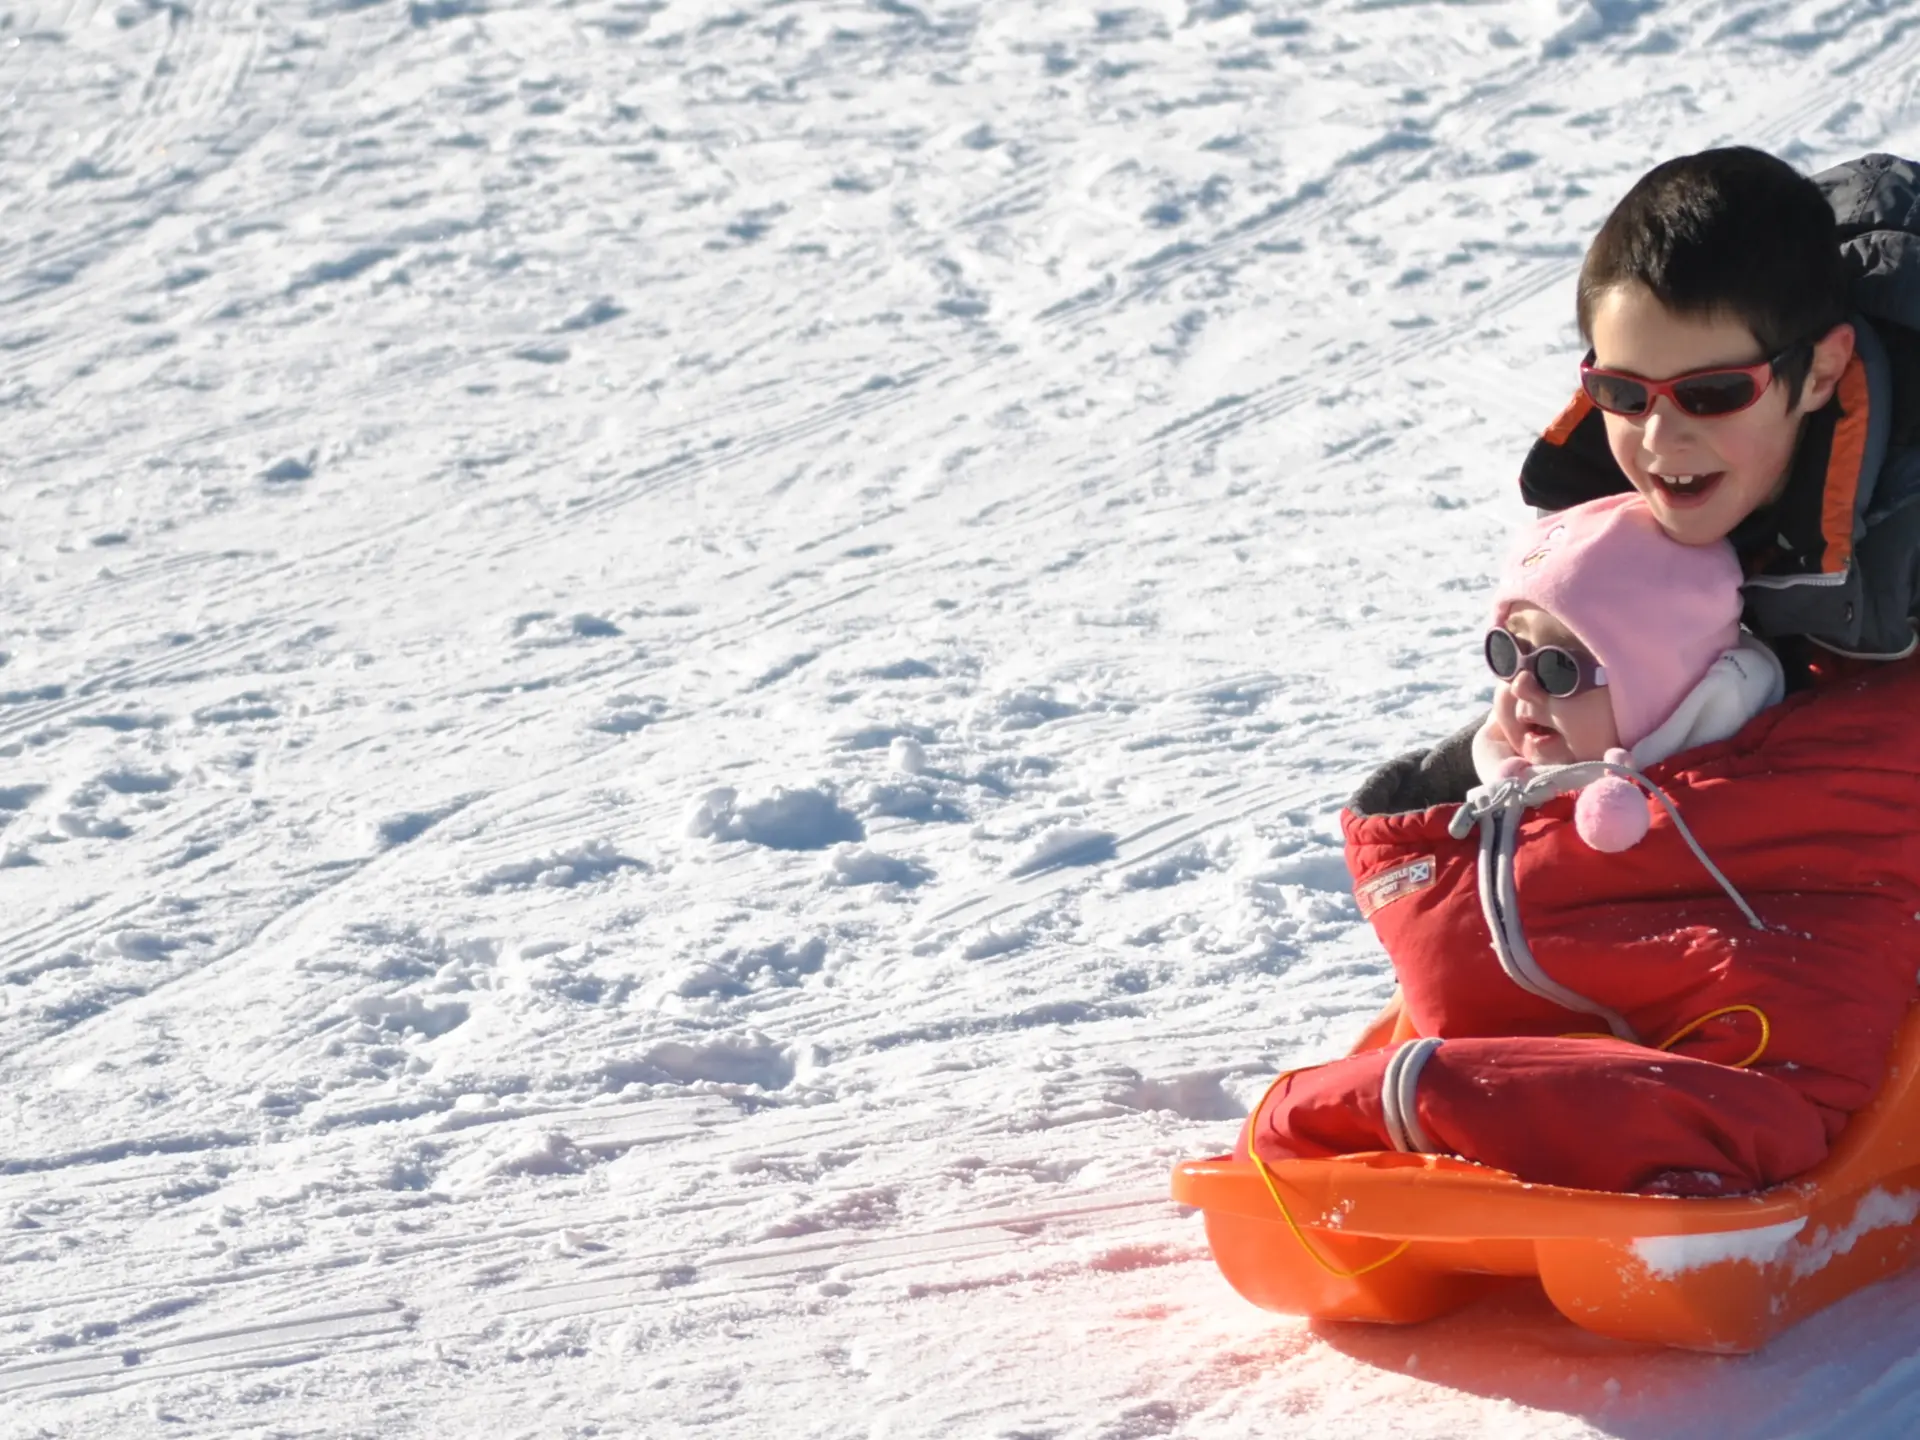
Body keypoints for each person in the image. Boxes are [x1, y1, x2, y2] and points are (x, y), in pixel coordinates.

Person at [1239, 495, 1920, 1196]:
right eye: (1507, 653)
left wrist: (1424, 1095)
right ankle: (1422, 1108)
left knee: (1321, 1115)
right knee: (1297, 1119)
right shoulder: (1493, 816)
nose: (1523, 688)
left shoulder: (1770, 810)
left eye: (1563, 667)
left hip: (1709, 1102)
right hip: (1542, 1081)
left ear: (1667, 682)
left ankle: (1419, 1107)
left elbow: (1785, 1070)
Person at [1519, 147, 1920, 679]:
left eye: (1711, 395)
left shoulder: (1907, 524)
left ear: (1821, 374)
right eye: (1624, 393)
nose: (1659, 438)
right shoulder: (1586, 492)